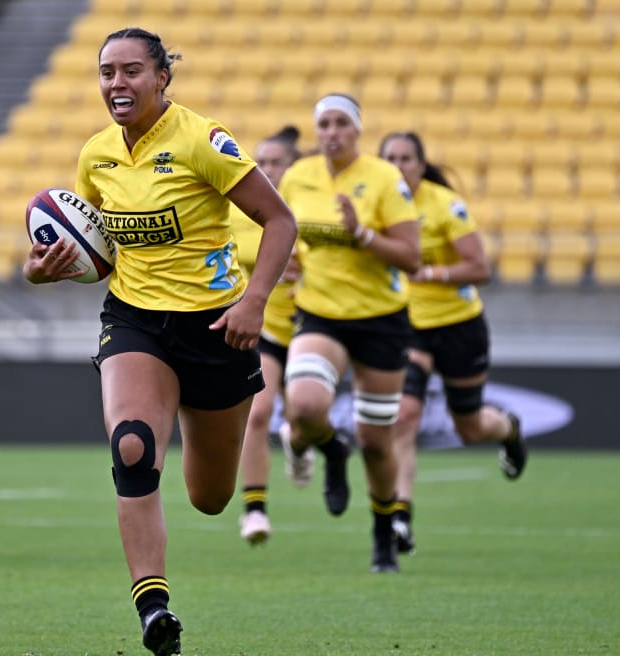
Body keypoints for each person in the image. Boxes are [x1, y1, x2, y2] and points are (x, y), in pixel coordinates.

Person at [22, 28, 297, 656]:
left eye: (131, 72)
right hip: (135, 320)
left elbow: (280, 220)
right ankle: (153, 606)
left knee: (209, 497)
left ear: (162, 78)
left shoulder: (203, 140)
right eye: (106, 73)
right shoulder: (96, 155)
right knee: (133, 447)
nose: (116, 84)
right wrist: (40, 269)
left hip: (215, 328)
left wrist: (254, 302)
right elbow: (87, 245)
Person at [278, 93, 421, 573]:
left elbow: (411, 256)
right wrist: (287, 262)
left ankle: (383, 533)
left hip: (380, 319)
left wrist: (362, 235)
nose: (332, 132)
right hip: (320, 313)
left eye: (341, 123)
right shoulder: (299, 177)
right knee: (303, 406)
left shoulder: (384, 179)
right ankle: (332, 448)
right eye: (324, 123)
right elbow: (284, 234)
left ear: (357, 130)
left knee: (378, 442)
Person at [379, 131, 527, 556]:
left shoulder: (445, 206)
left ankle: (509, 429)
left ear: (421, 165)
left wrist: (433, 274)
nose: (399, 165)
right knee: (405, 415)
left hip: (459, 325)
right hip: (409, 327)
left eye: (407, 157)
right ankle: (400, 514)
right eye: (391, 157)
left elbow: (479, 266)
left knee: (470, 425)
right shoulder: (376, 204)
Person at [230, 125, 303, 546]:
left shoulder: (312, 208)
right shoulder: (242, 213)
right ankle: (255, 510)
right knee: (257, 413)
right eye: (264, 162)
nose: (269, 169)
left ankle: (300, 439)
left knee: (306, 418)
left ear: (295, 166)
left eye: (278, 161)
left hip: (317, 325)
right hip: (267, 329)